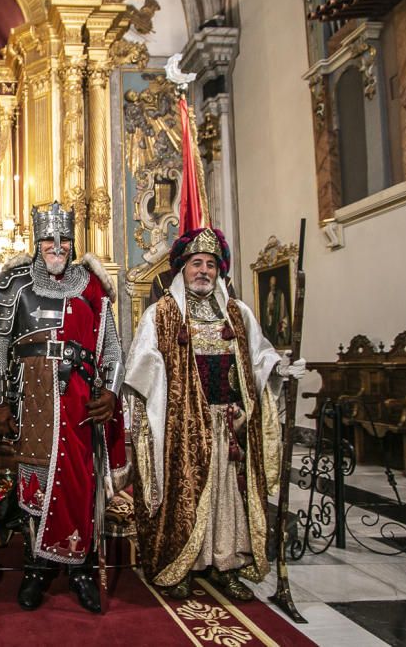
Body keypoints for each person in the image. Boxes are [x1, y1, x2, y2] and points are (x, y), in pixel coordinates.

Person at [123, 227, 306, 601]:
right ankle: (182, 564)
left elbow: (259, 355)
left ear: (219, 271)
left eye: (210, 264)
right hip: (182, 427)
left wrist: (280, 370)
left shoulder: (237, 314)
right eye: (196, 263)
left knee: (230, 496)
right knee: (184, 495)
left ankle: (227, 564)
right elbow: (141, 364)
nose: (203, 270)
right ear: (182, 269)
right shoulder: (162, 314)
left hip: (229, 423)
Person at [0, 201, 127, 613]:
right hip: (33, 401)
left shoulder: (92, 287)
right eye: (49, 238)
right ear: (37, 240)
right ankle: (35, 568)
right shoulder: (15, 285)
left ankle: (79, 568)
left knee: (80, 483)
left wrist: (112, 392)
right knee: (37, 483)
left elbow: (113, 350)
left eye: (64, 238)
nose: (58, 245)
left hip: (81, 402)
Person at [263, 274, 291, 347]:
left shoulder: (280, 294)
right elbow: (267, 311)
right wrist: (269, 310)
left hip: (278, 323)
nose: (272, 287)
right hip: (271, 323)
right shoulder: (269, 295)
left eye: (274, 285)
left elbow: (283, 311)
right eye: (271, 284)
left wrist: (280, 323)